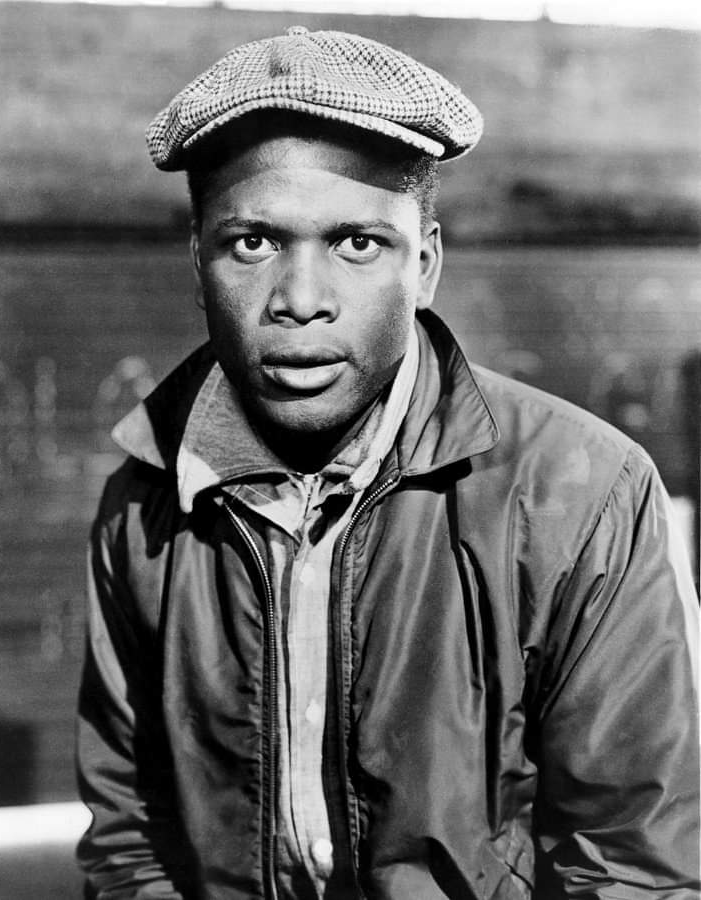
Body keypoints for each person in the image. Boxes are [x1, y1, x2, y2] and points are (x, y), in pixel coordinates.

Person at [76, 26, 700, 900]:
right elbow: (131, 841)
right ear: (197, 262)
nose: (300, 302)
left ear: (427, 263)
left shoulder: (583, 492)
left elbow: (633, 866)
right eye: (252, 242)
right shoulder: (142, 502)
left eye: (357, 244)